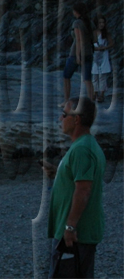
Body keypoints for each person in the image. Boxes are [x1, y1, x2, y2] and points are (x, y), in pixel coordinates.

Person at [44, 97, 106, 279]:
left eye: (64, 115)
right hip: (78, 232)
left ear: (76, 119)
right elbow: (80, 182)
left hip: (77, 234)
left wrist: (70, 227)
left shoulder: (82, 150)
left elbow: (84, 190)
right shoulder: (84, 146)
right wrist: (58, 173)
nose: (60, 119)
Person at [63, 2, 95, 103]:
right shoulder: (89, 22)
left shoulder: (77, 23)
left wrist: (77, 55)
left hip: (77, 53)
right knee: (87, 79)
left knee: (66, 76)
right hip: (89, 52)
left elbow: (78, 40)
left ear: (76, 11)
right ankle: (91, 102)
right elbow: (94, 39)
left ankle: (66, 100)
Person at [91, 14, 112, 103]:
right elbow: (91, 44)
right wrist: (95, 48)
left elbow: (111, 43)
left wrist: (104, 47)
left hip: (103, 55)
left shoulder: (106, 34)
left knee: (102, 76)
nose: (102, 24)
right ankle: (95, 92)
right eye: (100, 22)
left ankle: (102, 94)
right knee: (95, 75)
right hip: (95, 55)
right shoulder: (94, 33)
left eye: (103, 22)